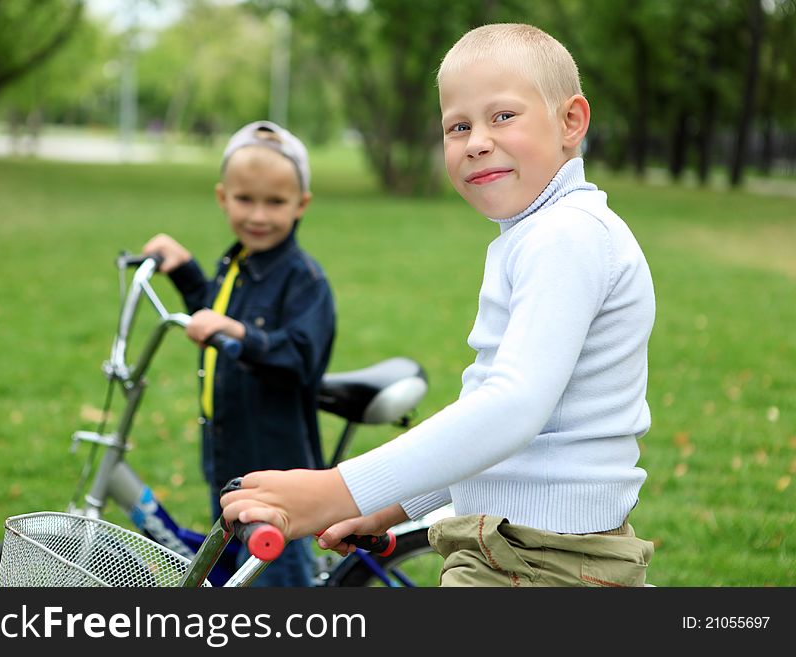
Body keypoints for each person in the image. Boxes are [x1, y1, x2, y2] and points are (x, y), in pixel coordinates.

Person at [221, 24, 657, 587]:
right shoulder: (535, 236)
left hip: (541, 562)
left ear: (571, 121)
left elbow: (512, 408)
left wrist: (336, 489)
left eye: (503, 116)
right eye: (458, 125)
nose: (477, 140)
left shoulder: (567, 235)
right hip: (510, 544)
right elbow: (497, 431)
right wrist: (390, 506)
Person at [142, 120, 336, 587]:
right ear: (223, 197)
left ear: (301, 205)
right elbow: (214, 317)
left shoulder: (302, 278)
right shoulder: (238, 264)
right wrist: (186, 272)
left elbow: (301, 358)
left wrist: (241, 334)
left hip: (275, 465)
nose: (259, 215)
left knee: (274, 575)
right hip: (229, 455)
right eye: (245, 199)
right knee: (235, 572)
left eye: (275, 202)